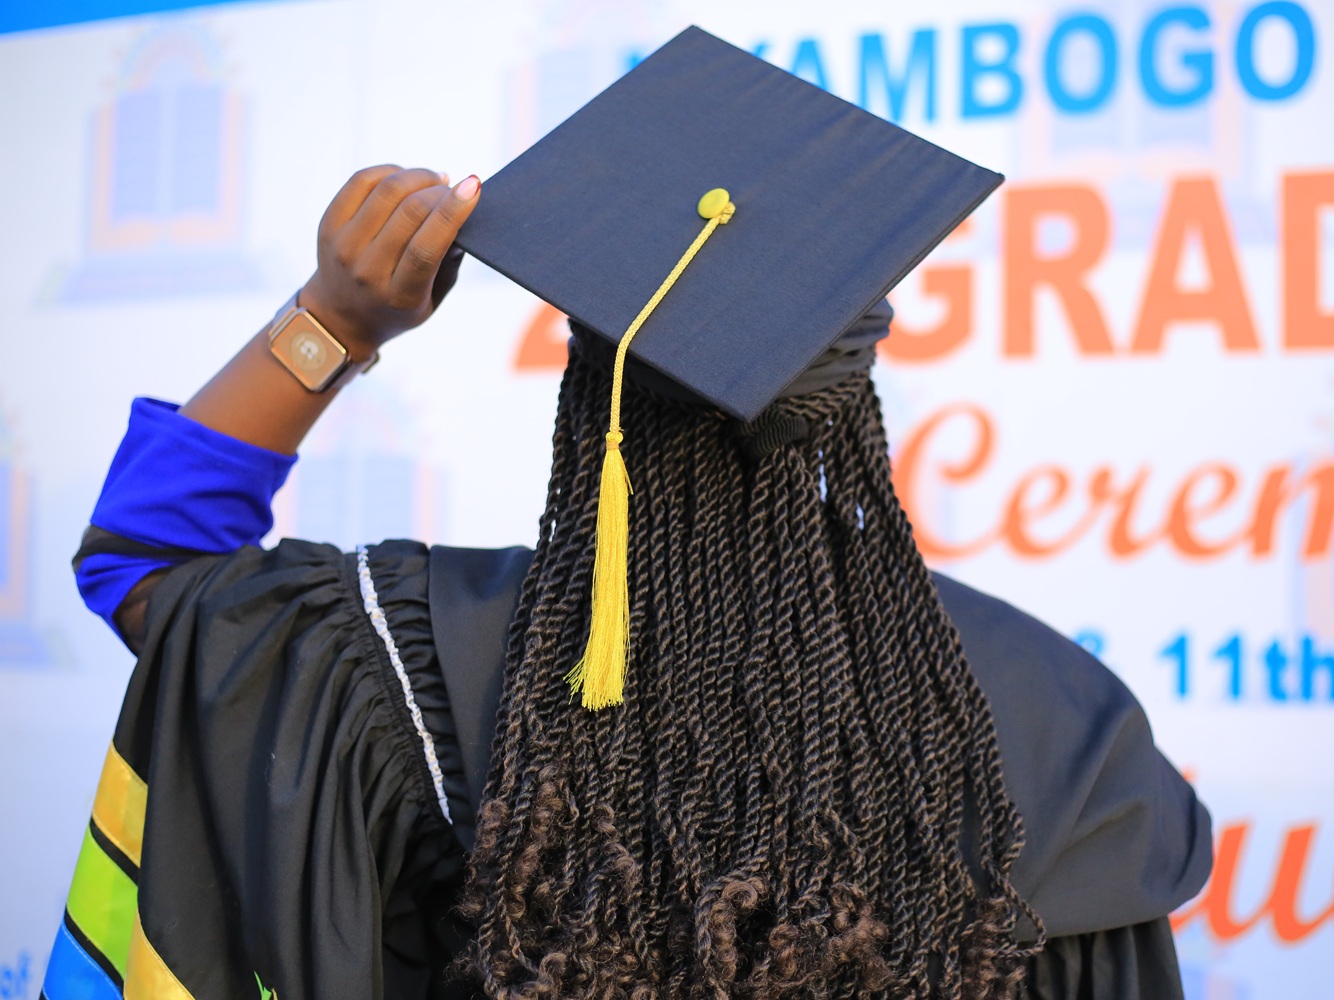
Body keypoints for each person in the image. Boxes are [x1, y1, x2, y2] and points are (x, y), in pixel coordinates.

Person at [46, 28, 1211, 1000]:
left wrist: (336, 319)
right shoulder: (1063, 732)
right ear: (851, 391)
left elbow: (150, 564)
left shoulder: (399, 656)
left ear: (591, 396)